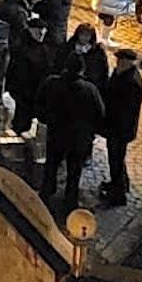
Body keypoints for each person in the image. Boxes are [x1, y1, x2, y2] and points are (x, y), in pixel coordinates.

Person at [36, 56, 104, 207]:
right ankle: (70, 200)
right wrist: (90, 132)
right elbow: (100, 114)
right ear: (82, 70)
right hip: (78, 138)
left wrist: (47, 120)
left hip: (56, 133)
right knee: (74, 172)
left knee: (51, 165)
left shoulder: (51, 83)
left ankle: (46, 194)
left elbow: (39, 105)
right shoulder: (90, 89)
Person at [99, 48, 142, 207]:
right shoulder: (121, 74)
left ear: (128, 62)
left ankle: (118, 196)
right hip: (116, 128)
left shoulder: (130, 82)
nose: (117, 63)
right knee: (117, 160)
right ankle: (120, 185)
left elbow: (124, 111)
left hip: (119, 130)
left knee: (116, 160)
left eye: (120, 61)